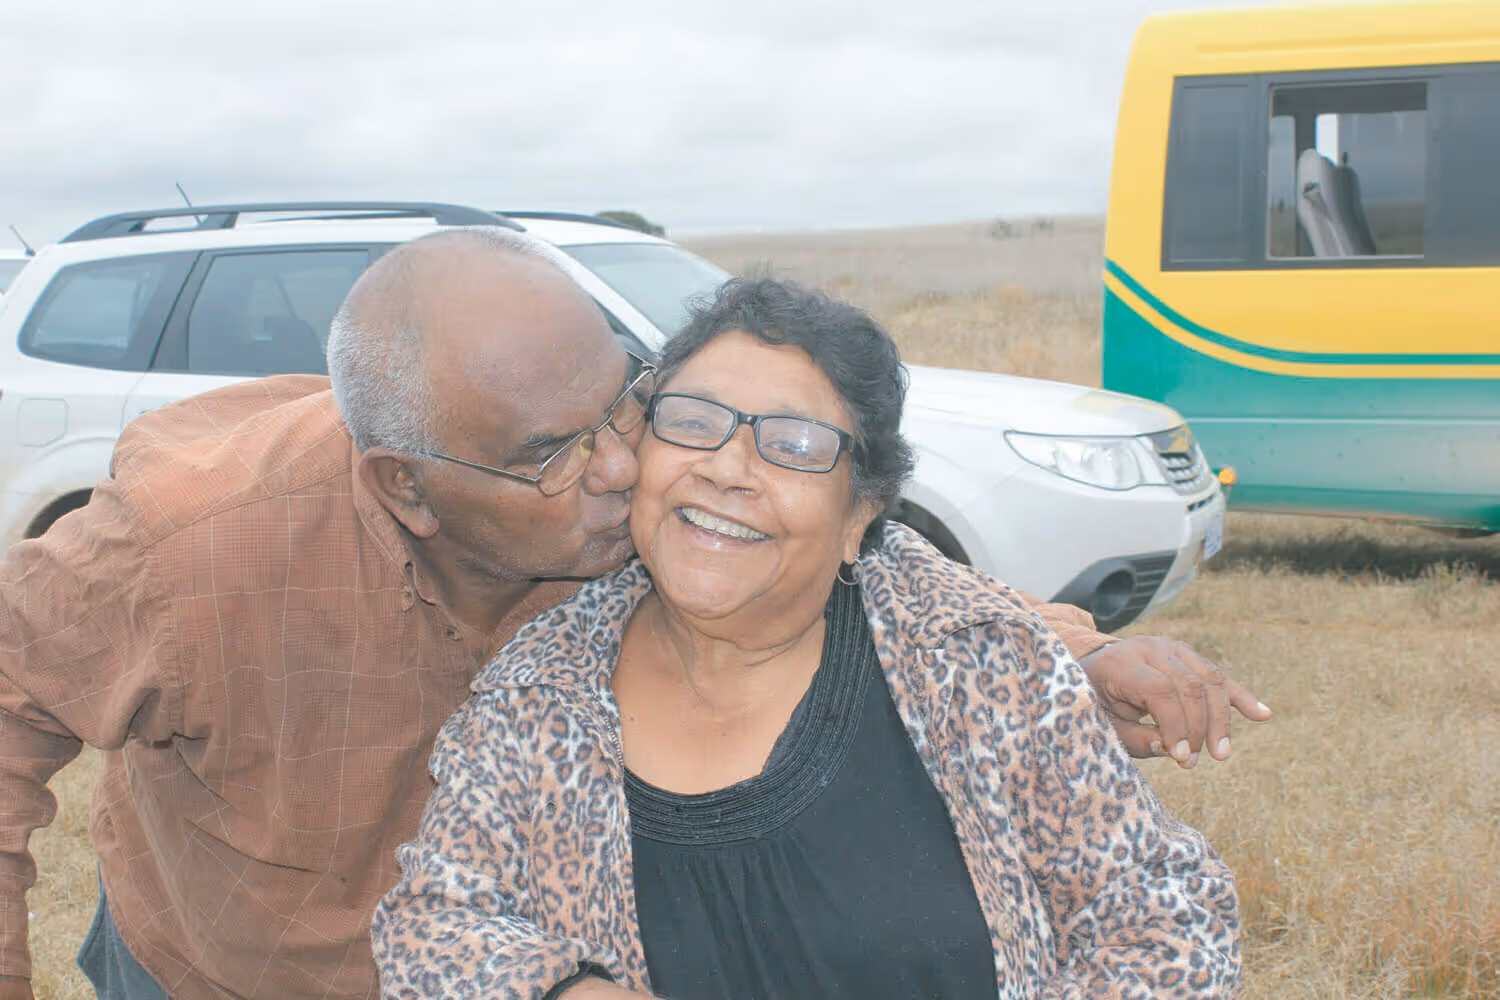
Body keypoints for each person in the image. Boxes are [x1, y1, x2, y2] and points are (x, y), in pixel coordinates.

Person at [0, 231, 1260, 1000]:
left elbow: (848, 550)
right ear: (409, 491)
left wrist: (1073, 652)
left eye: (627, 402)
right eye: (556, 451)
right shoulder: (189, 551)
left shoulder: (631, 517)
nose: (623, 467)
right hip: (231, 972)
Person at [372, 278, 1243, 999]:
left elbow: (1165, 916)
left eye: (793, 445)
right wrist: (561, 990)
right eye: (694, 420)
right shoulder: (539, 700)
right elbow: (435, 922)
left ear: (860, 513)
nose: (727, 467)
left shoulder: (977, 666)